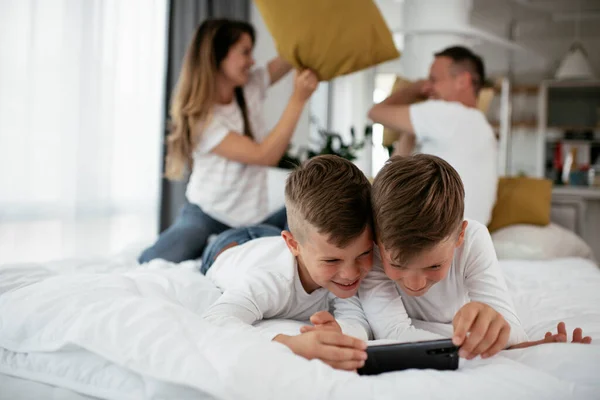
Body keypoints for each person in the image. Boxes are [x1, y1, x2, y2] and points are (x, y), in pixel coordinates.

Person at [357, 154, 591, 360]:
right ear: (377, 238)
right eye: (397, 264)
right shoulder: (372, 251)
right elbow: (393, 333)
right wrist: (476, 343)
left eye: (434, 265)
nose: (414, 283)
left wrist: (515, 341)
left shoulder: (474, 239)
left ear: (460, 235)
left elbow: (510, 328)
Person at [139, 19, 318, 263]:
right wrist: (298, 99)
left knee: (304, 216)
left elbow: (290, 55)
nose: (253, 61)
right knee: (163, 256)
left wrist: (314, 26)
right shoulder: (202, 119)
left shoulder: (250, 86)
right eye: (245, 52)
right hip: (207, 215)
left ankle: (221, 248)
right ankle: (213, 248)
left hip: (254, 220)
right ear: (217, 56)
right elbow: (264, 155)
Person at [200, 155, 373, 371]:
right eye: (332, 260)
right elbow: (216, 319)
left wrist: (341, 332)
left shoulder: (345, 271)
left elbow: (356, 317)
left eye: (364, 253)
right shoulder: (271, 280)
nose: (351, 273)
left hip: (277, 241)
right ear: (293, 244)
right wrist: (289, 344)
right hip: (231, 247)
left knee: (299, 229)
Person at [368, 46, 497, 225]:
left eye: (433, 79)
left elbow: (376, 112)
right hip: (462, 237)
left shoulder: (449, 114)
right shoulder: (481, 127)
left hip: (434, 235)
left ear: (463, 81)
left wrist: (413, 89)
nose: (428, 87)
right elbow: (393, 172)